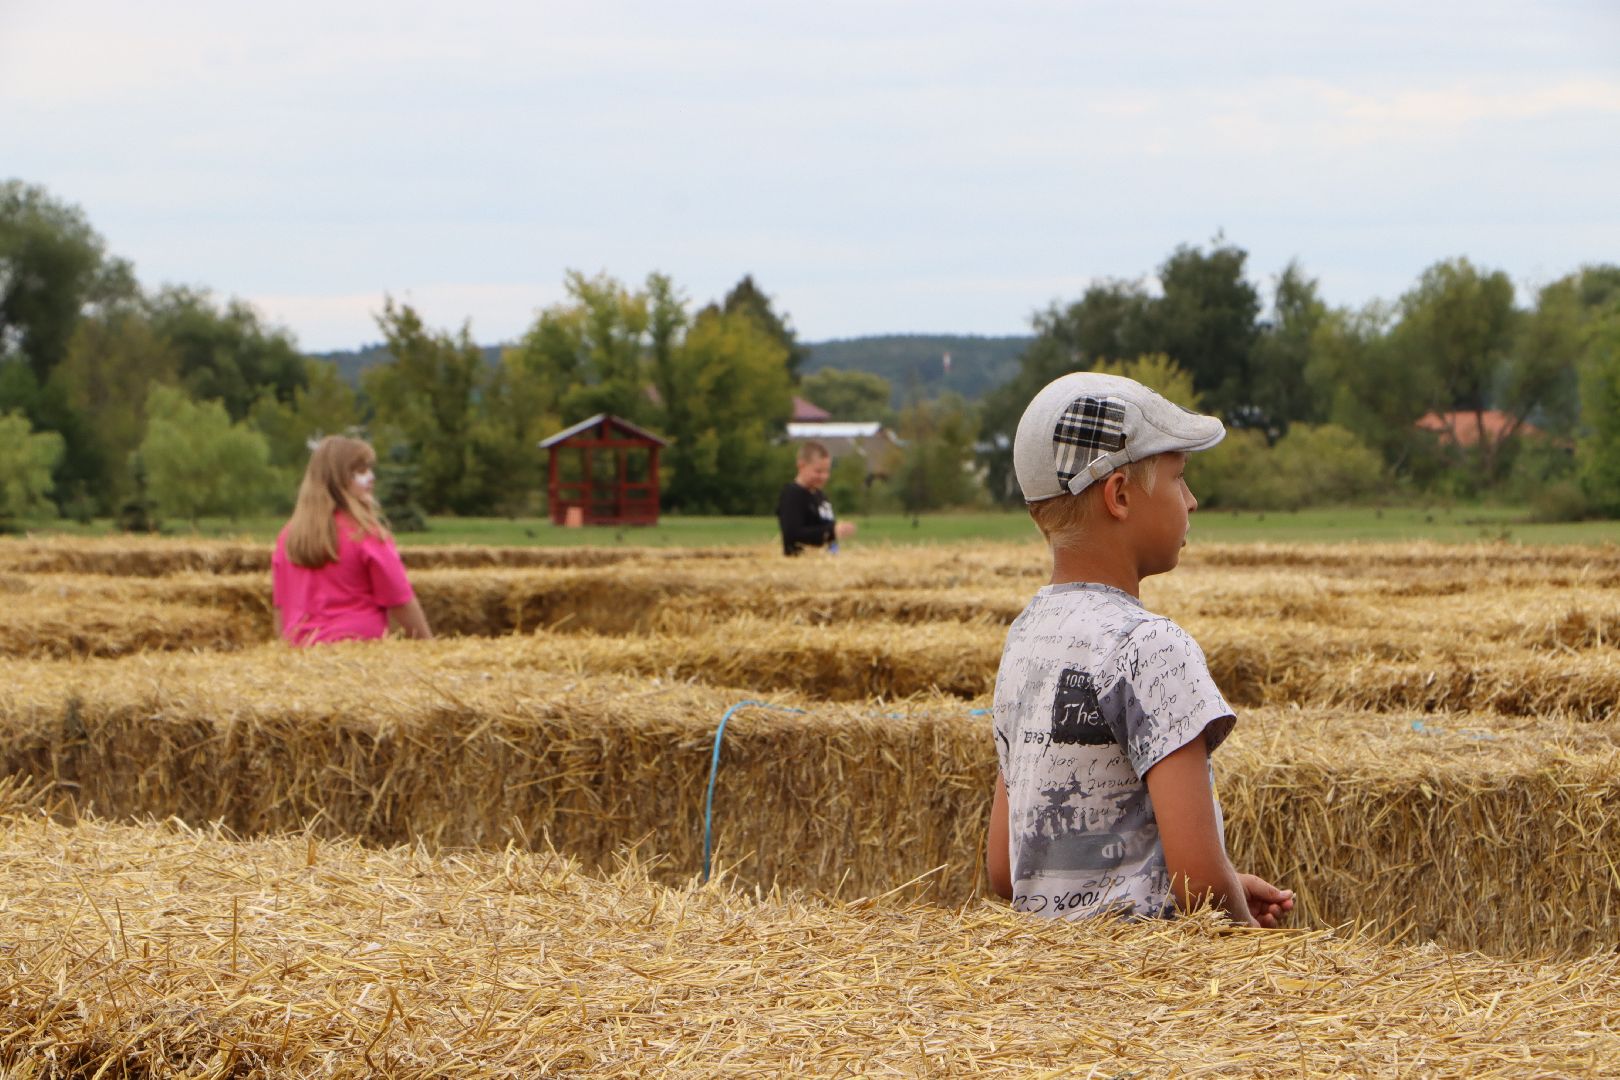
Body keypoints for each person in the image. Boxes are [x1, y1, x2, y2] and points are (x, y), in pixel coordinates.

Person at [985, 372, 1293, 928]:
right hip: (1150, 995)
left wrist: (1223, 886)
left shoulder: (1027, 637)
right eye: (1179, 478)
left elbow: (1006, 870)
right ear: (1120, 494)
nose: (1192, 502)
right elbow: (1198, 882)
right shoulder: (1151, 648)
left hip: (1053, 986)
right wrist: (1255, 953)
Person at [271, 436, 433, 646]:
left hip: (302, 652)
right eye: (361, 471)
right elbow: (400, 601)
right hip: (358, 651)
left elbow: (280, 610)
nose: (371, 477)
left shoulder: (288, 536)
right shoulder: (365, 533)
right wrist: (429, 646)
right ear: (339, 478)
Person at [777, 441, 856, 556]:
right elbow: (793, 534)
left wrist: (837, 530)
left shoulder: (820, 495)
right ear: (801, 466)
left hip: (824, 561)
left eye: (826, 471)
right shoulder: (793, 495)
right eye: (818, 471)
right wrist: (831, 532)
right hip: (803, 563)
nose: (824, 476)